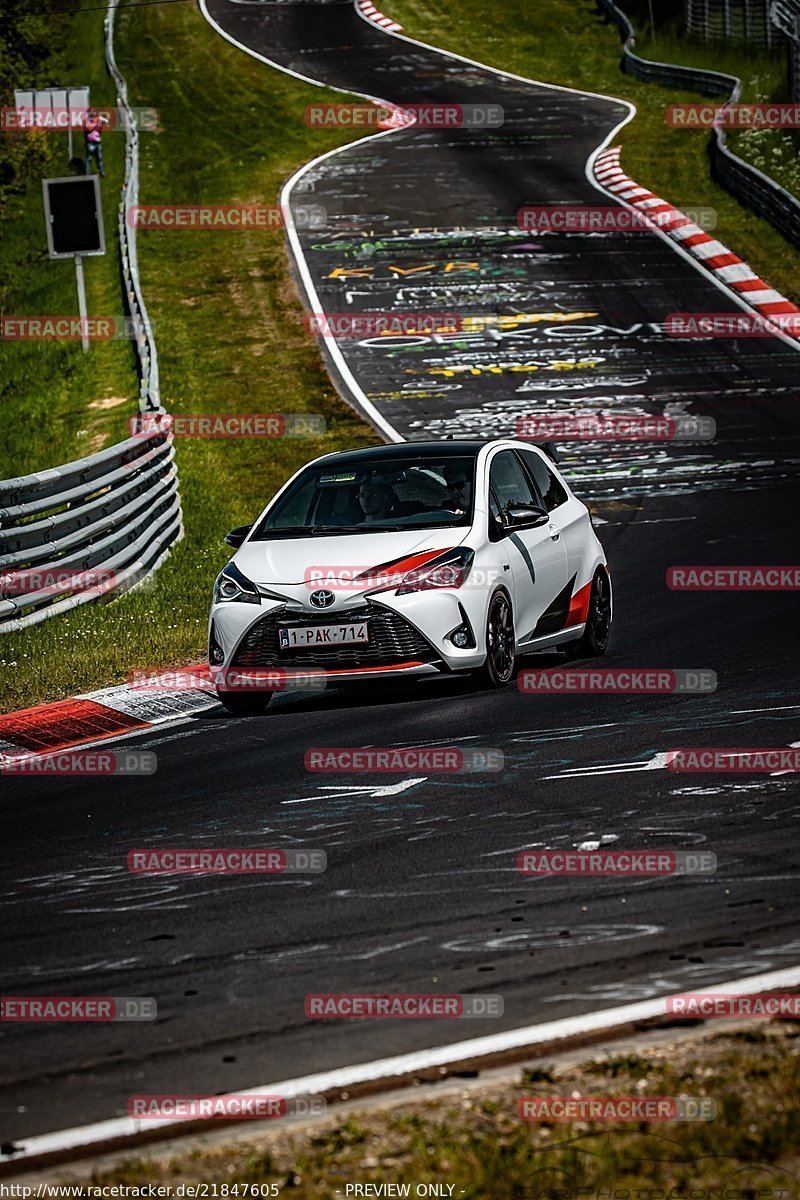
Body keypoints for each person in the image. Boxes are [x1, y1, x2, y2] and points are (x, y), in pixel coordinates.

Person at [84, 109, 106, 177]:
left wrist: (102, 121)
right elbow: (89, 128)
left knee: (99, 158)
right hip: (90, 143)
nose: (93, 114)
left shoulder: (97, 120)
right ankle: (87, 173)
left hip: (97, 142)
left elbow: (104, 123)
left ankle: (101, 172)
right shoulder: (86, 121)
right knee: (89, 158)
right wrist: (97, 123)